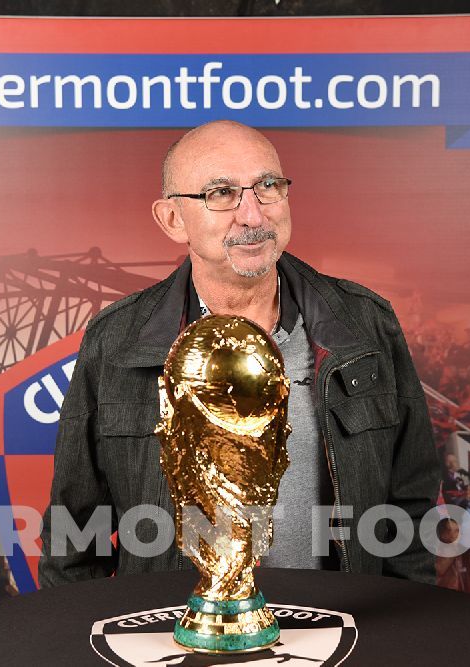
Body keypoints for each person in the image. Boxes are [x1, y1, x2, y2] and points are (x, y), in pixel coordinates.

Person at [38, 120, 439, 588]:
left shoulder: (365, 323)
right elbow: (72, 534)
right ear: (172, 219)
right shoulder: (117, 340)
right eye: (221, 193)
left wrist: (407, 622)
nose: (253, 215)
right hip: (175, 627)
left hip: (342, 622)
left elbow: (410, 508)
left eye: (268, 186)